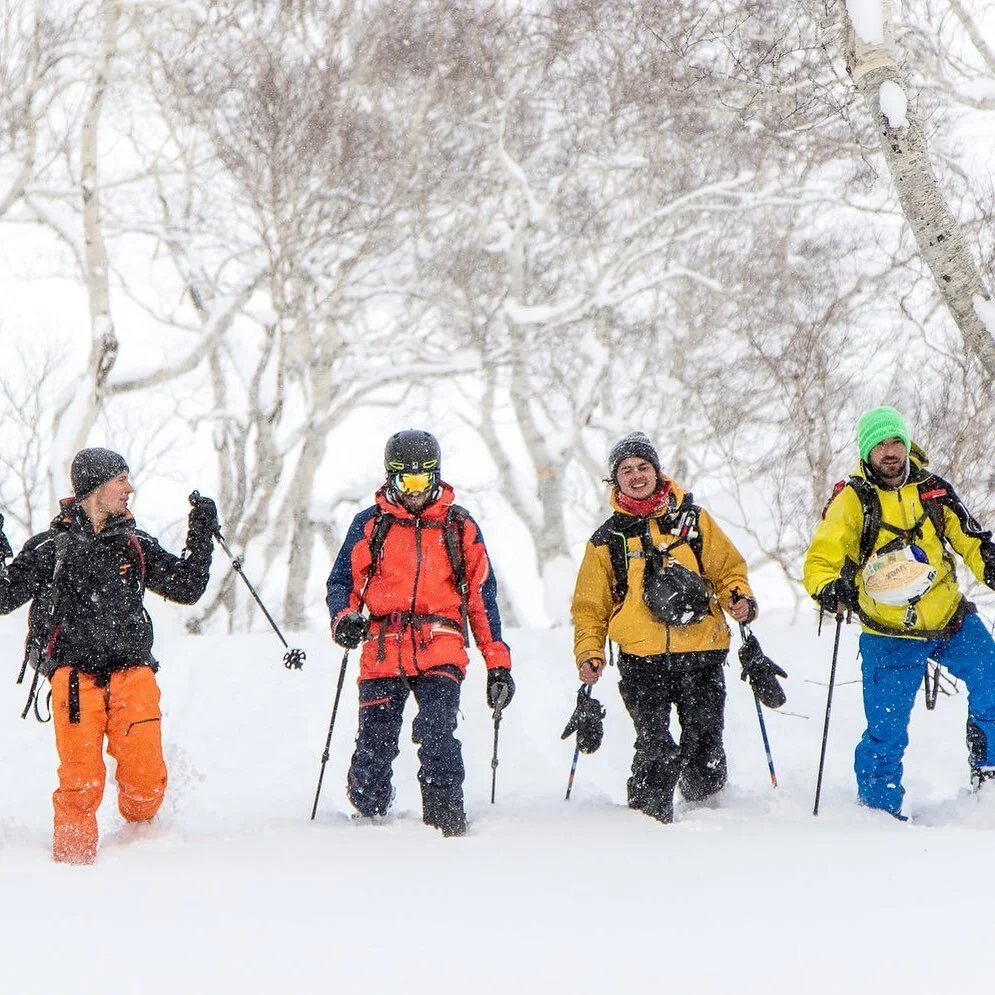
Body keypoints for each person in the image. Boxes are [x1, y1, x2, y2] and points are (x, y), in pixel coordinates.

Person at [0, 448, 217, 864]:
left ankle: (143, 854)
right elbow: (4, 595)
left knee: (146, 783)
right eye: (121, 480)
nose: (129, 488)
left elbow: (186, 588)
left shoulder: (134, 545)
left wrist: (201, 534)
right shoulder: (50, 547)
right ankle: (74, 868)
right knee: (79, 781)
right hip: (74, 680)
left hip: (133, 674)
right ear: (95, 488)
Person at [804, 406, 995, 817]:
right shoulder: (853, 500)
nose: (890, 451)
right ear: (866, 451)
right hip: (887, 632)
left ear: (907, 445)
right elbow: (820, 560)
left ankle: (990, 773)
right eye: (880, 444)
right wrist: (828, 589)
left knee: (993, 681)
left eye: (896, 442)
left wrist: (989, 563)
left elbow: (972, 540)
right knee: (886, 732)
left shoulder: (934, 489)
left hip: (948, 618)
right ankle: (878, 811)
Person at [326, 429, 513, 837]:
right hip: (381, 649)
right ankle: (370, 816)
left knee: (436, 733)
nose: (414, 491)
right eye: (405, 481)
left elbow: (481, 598)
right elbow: (342, 581)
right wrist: (344, 618)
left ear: (436, 476)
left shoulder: (458, 526)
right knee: (374, 748)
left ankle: (446, 822)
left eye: (422, 480)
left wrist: (497, 663)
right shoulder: (370, 525)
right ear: (390, 478)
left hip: (440, 645)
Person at [571, 431, 757, 824]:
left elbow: (728, 570)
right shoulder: (607, 540)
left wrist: (739, 597)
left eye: (643, 467)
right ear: (615, 480)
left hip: (702, 654)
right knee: (654, 745)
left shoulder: (694, 520)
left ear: (658, 472)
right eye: (626, 470)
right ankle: (647, 824)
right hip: (642, 661)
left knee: (705, 745)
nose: (636, 476)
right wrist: (589, 651)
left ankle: (706, 813)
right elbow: (590, 607)